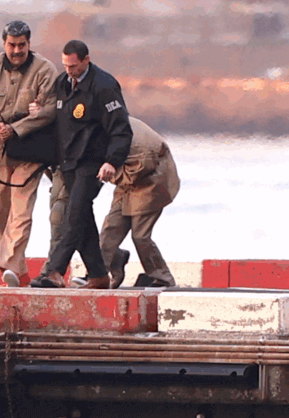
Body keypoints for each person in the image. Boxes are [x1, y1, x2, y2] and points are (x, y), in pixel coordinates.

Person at [30, 40, 132, 289]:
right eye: (65, 65)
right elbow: (59, 121)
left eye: (73, 66)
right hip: (68, 162)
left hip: (93, 163)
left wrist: (111, 161)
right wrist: (40, 111)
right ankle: (98, 276)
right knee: (82, 217)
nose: (69, 71)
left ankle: (55, 270)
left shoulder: (104, 86)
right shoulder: (62, 83)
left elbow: (121, 129)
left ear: (86, 60)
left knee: (73, 213)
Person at [0, 20, 59, 287]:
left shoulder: (44, 70)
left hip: (31, 150)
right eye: (12, 45)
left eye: (21, 45)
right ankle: (18, 272)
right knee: (1, 212)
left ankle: (6, 263)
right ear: (4, 43)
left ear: (29, 44)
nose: (16, 50)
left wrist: (17, 128)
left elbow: (50, 110)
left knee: (21, 211)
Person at [99, 116, 180, 288]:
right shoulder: (106, 125)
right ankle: (101, 271)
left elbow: (135, 172)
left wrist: (103, 171)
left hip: (153, 182)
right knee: (110, 228)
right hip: (127, 178)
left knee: (140, 235)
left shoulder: (140, 147)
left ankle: (163, 277)